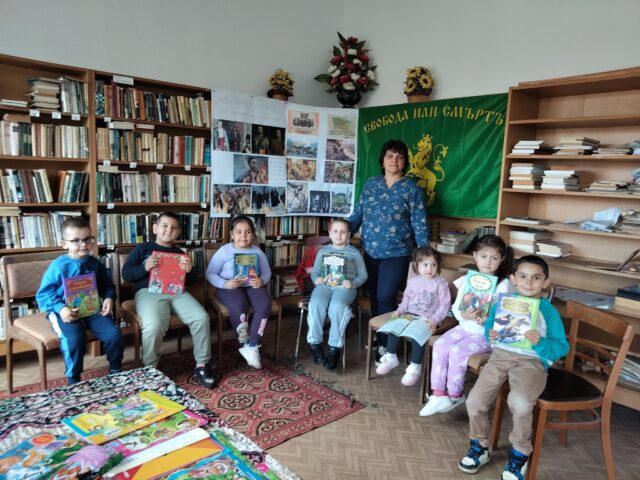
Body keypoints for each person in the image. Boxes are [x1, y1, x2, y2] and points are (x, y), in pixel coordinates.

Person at [459, 255, 569, 480]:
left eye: (536, 278)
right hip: (500, 357)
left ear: (545, 282)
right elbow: (490, 328)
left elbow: (561, 348)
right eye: (523, 276)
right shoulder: (503, 303)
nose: (529, 282)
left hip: (531, 362)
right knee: (474, 400)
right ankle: (479, 446)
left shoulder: (548, 311)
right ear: (513, 279)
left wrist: (540, 343)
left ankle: (519, 454)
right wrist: (491, 334)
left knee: (520, 403)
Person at [347, 139, 428, 362]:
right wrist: (341, 231)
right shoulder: (371, 184)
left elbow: (419, 222)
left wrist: (424, 254)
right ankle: (381, 334)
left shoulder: (411, 188)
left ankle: (387, 346)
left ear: (405, 162)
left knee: (385, 296)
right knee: (374, 296)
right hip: (370, 251)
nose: (394, 160)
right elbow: (358, 214)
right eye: (390, 156)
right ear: (382, 160)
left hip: (398, 253)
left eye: (399, 157)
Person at [420, 234, 513, 416]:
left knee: (457, 351)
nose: (488, 262)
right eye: (483, 256)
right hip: (464, 328)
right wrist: (465, 314)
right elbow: (456, 309)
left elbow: (508, 317)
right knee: (440, 345)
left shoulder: (504, 285)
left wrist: (488, 320)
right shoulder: (469, 280)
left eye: (494, 258)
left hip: (485, 335)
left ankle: (455, 395)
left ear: (502, 259)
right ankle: (438, 394)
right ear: (475, 256)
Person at [122, 212, 215, 389]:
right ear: (155, 228)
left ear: (178, 232)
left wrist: (189, 270)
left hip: (176, 291)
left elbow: (190, 281)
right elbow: (126, 274)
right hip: (149, 291)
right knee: (154, 325)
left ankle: (202, 364)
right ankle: (150, 368)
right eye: (164, 226)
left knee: (201, 317)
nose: (169, 230)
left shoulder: (180, 253)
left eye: (173, 228)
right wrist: (144, 267)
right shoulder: (143, 248)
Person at [36, 217, 123, 385]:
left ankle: (116, 370)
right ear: (64, 244)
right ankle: (73, 379)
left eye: (88, 239)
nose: (83, 244)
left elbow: (107, 285)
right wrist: (61, 308)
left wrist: (108, 298)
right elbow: (44, 295)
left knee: (114, 334)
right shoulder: (58, 266)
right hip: (66, 312)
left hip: (92, 310)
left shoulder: (95, 263)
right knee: (74, 340)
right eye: (76, 240)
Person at [376, 247, 451, 386]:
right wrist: (399, 311)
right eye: (425, 264)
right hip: (410, 315)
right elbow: (406, 299)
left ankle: (415, 367)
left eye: (433, 265)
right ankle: (390, 357)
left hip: (429, 319)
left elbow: (444, 305)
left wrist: (434, 320)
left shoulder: (441, 283)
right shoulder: (413, 281)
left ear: (438, 266)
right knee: (394, 327)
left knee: (418, 334)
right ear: (417, 265)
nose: (429, 268)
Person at [206, 215, 272, 369]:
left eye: (248, 232)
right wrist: (225, 283)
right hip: (230, 287)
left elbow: (266, 272)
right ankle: (243, 342)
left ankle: (252, 346)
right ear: (232, 234)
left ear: (253, 235)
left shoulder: (257, 251)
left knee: (264, 304)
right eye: (239, 232)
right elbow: (210, 273)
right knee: (239, 306)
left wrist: (262, 280)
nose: (243, 235)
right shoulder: (224, 251)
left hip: (252, 285)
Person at [307, 219, 368, 370]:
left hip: (344, 288)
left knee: (337, 306)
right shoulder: (323, 251)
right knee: (315, 304)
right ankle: (314, 344)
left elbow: (363, 275)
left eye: (343, 232)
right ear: (330, 233)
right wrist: (316, 279)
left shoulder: (354, 253)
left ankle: (334, 348)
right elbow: (315, 272)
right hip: (325, 285)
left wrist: (352, 283)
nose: (339, 235)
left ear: (348, 234)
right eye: (335, 231)